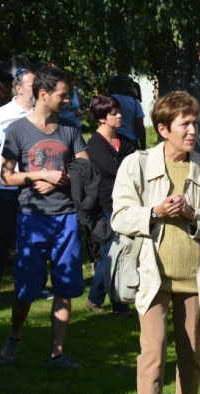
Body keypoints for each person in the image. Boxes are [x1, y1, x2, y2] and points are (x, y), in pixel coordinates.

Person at [111, 91, 200, 394]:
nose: (193, 130)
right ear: (164, 129)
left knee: (192, 355)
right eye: (185, 124)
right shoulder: (136, 164)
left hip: (194, 278)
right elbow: (119, 215)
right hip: (152, 277)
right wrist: (155, 211)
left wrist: (194, 214)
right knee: (153, 352)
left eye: (195, 123)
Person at [0, 65, 89, 369]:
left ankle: (57, 354)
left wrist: (59, 176)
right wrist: (39, 174)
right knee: (26, 288)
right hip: (32, 218)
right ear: (43, 94)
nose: (67, 100)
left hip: (66, 218)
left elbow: (86, 169)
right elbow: (6, 177)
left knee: (65, 285)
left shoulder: (70, 129)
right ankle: (15, 335)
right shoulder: (17, 130)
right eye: (63, 95)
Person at [0, 68, 35, 299]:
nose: (38, 89)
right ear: (19, 88)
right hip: (8, 184)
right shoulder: (1, 114)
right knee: (4, 234)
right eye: (33, 85)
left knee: (33, 234)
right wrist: (4, 175)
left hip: (36, 183)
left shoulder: (41, 114)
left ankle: (32, 282)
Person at [83, 95, 137, 316]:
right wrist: (124, 165)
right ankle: (105, 300)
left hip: (128, 202)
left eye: (119, 111)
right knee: (112, 252)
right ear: (101, 118)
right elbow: (118, 170)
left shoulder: (125, 141)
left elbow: (135, 164)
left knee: (121, 251)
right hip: (105, 205)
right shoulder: (94, 145)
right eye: (114, 113)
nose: (119, 116)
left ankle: (114, 300)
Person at [111, 74, 146, 150]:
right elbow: (140, 125)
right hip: (131, 140)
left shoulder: (110, 100)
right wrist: (143, 146)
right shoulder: (135, 103)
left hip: (113, 139)